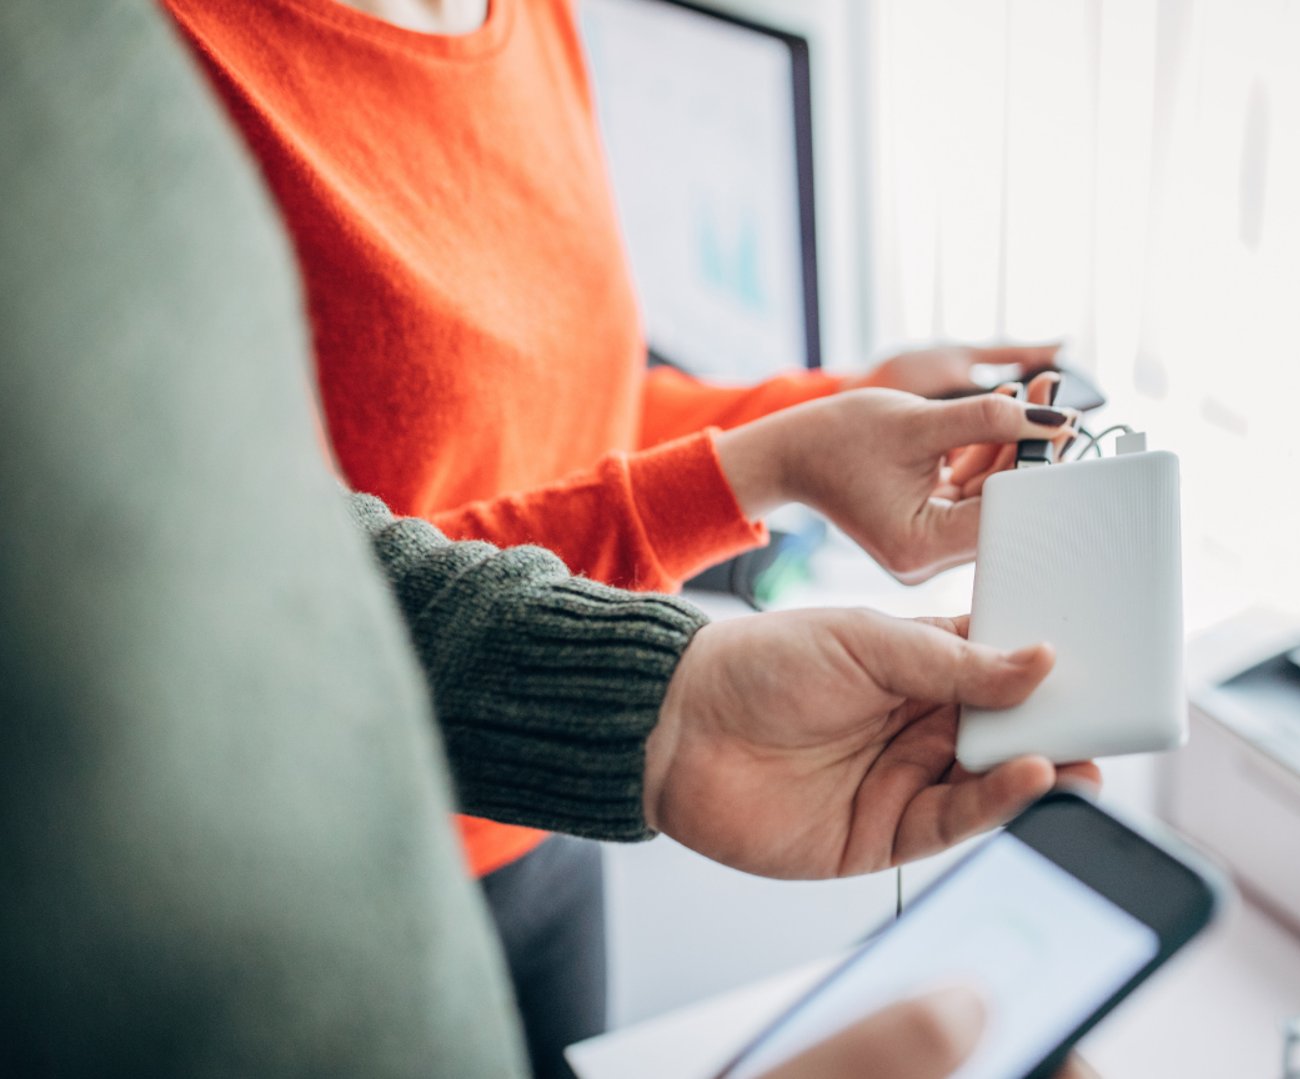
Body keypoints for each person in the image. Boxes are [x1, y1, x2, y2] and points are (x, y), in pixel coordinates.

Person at [0, 4, 1095, 1076]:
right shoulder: (123, 69)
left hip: (570, 773)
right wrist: (753, 475)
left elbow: (566, 407)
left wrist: (829, 412)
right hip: (341, 847)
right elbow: (262, 582)